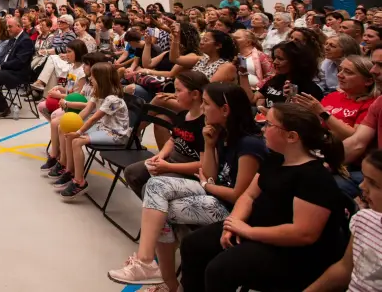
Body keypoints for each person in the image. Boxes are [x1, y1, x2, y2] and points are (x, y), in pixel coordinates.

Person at [108, 83, 266, 289]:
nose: (203, 108)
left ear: (225, 110)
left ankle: (164, 279)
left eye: (207, 104)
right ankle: (150, 265)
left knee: (159, 210)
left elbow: (238, 196)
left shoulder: (249, 145)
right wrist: (209, 145)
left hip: (232, 210)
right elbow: (209, 174)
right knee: (154, 188)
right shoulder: (219, 132)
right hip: (212, 191)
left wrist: (207, 185)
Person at [179, 103, 348, 292]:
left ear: (292, 136)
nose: (263, 129)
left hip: (291, 252)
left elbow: (303, 234)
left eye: (269, 125)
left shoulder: (314, 177)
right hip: (258, 229)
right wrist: (233, 223)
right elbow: (250, 195)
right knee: (193, 245)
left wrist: (247, 231)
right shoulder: (276, 158)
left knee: (220, 270)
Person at [121, 69, 210, 201]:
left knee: (152, 185)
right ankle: (157, 208)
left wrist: (168, 167)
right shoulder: (183, 115)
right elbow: (172, 140)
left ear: (195, 94)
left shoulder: (205, 124)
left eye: (178, 91)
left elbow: (203, 165)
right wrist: (160, 156)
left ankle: (161, 211)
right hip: (172, 161)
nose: (174, 95)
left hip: (189, 171)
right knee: (132, 173)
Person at [304, 148, 382, 291]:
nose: (361, 186)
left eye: (373, 183)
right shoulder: (364, 220)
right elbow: (344, 269)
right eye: (364, 178)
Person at [50, 61, 130, 200]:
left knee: (76, 141)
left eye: (93, 76)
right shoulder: (98, 93)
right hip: (103, 128)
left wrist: (79, 132)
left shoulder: (112, 99)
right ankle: (69, 170)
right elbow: (86, 111)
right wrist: (74, 125)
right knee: (70, 135)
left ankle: (80, 182)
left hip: (116, 134)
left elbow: (93, 119)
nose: (90, 79)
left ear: (101, 79)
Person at [0, 16, 35, 118]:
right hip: (8, 69)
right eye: (7, 27)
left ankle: (3, 108)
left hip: (18, 73)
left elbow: (19, 62)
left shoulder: (25, 41)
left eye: (10, 27)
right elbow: (5, 56)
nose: (7, 29)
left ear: (18, 26)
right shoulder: (13, 39)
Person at [252, 41, 324, 111]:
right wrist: (243, 73)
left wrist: (263, 110)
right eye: (275, 58)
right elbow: (252, 99)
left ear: (295, 62)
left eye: (280, 59)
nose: (275, 62)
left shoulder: (308, 89)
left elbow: (298, 118)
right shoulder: (275, 80)